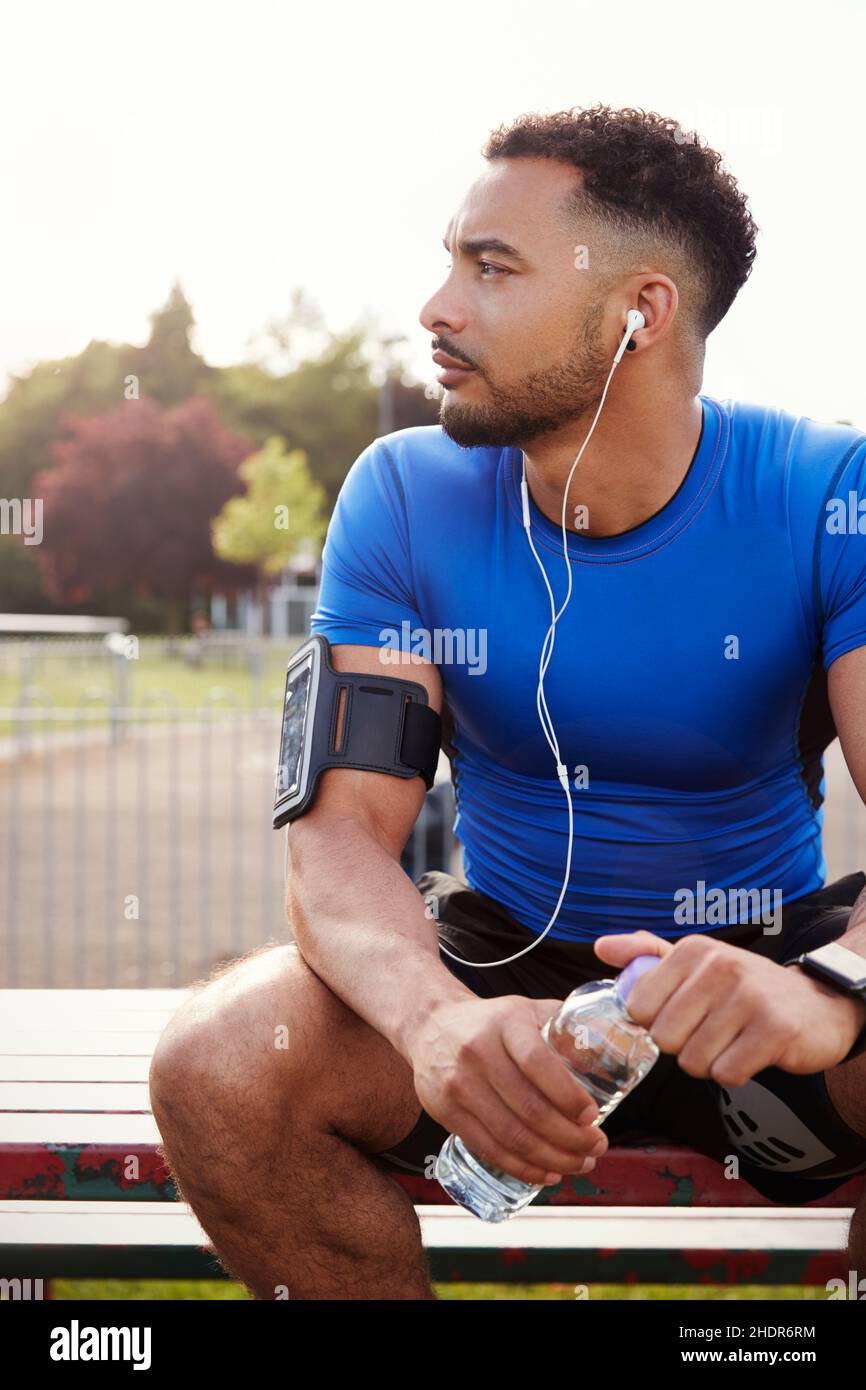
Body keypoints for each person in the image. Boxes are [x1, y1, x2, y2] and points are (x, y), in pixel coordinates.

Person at [149, 104, 866, 1300]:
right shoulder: (403, 491)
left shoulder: (824, 489)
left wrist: (828, 990)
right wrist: (432, 1020)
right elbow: (335, 839)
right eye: (448, 261)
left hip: (766, 988)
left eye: (489, 269)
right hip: (505, 973)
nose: (436, 306)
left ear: (637, 311)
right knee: (221, 1060)